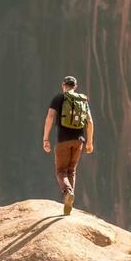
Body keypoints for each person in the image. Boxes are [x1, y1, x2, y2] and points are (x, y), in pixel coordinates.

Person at [43, 76, 94, 215]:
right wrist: (89, 142)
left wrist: (45, 138)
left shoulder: (59, 98)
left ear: (63, 85)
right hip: (79, 140)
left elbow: (50, 117)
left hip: (63, 140)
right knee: (71, 170)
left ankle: (68, 193)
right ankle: (69, 203)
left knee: (61, 171)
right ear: (75, 86)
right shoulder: (82, 100)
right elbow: (89, 121)